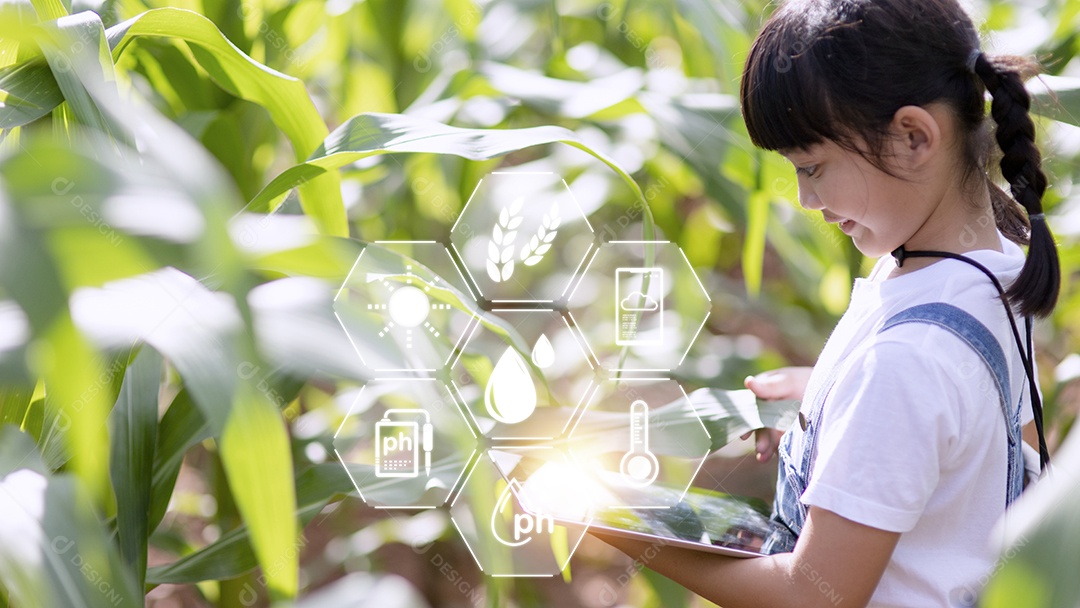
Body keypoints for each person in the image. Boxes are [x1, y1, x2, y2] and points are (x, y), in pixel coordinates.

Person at [593, 0, 1060, 606]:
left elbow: (815, 595)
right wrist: (831, 397)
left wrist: (618, 523)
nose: (805, 199)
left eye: (813, 167)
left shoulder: (906, 361)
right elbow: (996, 433)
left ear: (914, 137)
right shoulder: (988, 269)